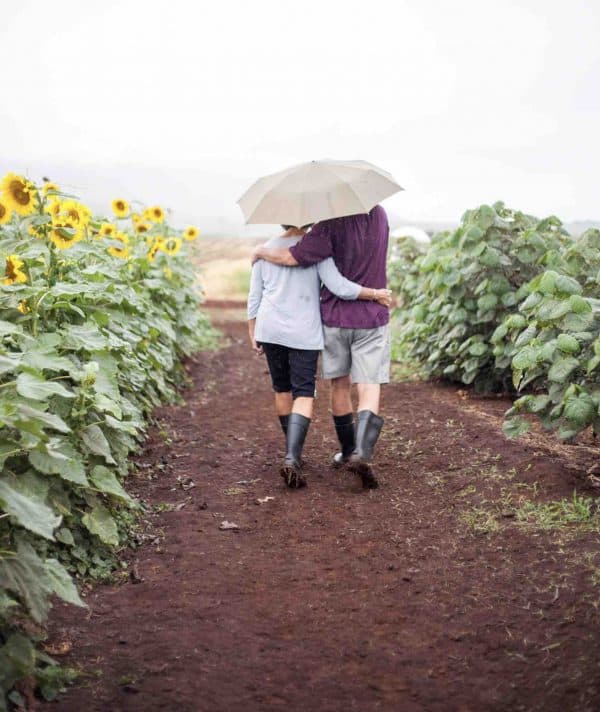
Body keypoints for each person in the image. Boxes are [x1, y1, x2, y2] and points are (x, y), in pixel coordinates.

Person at [252, 205, 390, 489]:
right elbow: (340, 281)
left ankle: (312, 453)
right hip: (352, 321)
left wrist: (260, 253)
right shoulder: (378, 216)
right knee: (363, 385)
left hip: (320, 321)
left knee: (325, 387)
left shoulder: (318, 229)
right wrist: (375, 294)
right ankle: (359, 452)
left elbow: (270, 280)